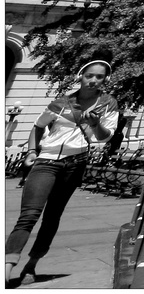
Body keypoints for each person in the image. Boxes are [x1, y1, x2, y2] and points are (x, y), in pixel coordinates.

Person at [5, 59, 120, 284]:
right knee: (29, 215)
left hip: (75, 163)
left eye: (99, 77)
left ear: (105, 80)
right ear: (81, 76)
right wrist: (31, 151)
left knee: (52, 216)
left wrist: (96, 124)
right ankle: (7, 268)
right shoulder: (61, 103)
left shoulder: (108, 104)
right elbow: (38, 125)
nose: (94, 80)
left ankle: (32, 265)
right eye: (89, 76)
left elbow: (105, 137)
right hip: (47, 162)